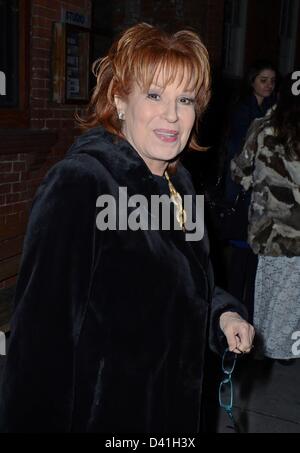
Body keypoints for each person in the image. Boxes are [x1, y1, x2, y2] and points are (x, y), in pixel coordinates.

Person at [0, 23, 254, 433]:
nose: (172, 115)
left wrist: (223, 316)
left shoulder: (180, 185)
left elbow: (186, 286)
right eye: (154, 95)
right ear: (119, 99)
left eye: (185, 99)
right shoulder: (83, 185)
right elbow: (39, 346)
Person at [231, 73, 300, 360]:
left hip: (268, 230)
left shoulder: (262, 127)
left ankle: (264, 348)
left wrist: (262, 187)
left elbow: (239, 170)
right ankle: (282, 350)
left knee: (268, 294)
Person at [223, 61, 278, 320]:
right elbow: (239, 152)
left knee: (257, 254)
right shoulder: (242, 110)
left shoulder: (275, 110)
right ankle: (233, 309)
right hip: (244, 187)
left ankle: (253, 311)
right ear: (252, 81)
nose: (268, 85)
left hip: (264, 190)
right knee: (241, 253)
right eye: (263, 80)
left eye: (271, 81)